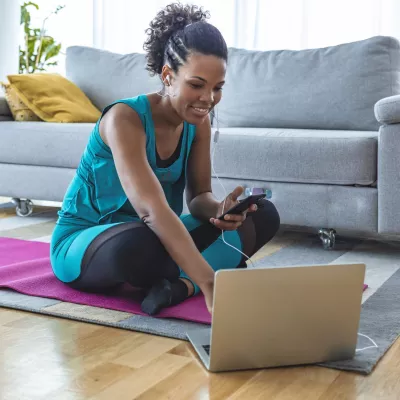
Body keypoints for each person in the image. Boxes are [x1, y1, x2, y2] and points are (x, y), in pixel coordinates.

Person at [50, 3, 280, 316]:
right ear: (168, 76)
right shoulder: (124, 119)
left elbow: (198, 198)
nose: (208, 99)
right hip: (88, 244)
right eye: (196, 85)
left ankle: (179, 286)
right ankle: (195, 280)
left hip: (154, 233)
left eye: (218, 88)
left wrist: (220, 210)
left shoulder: (197, 122)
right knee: (140, 242)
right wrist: (210, 282)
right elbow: (151, 211)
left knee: (262, 214)